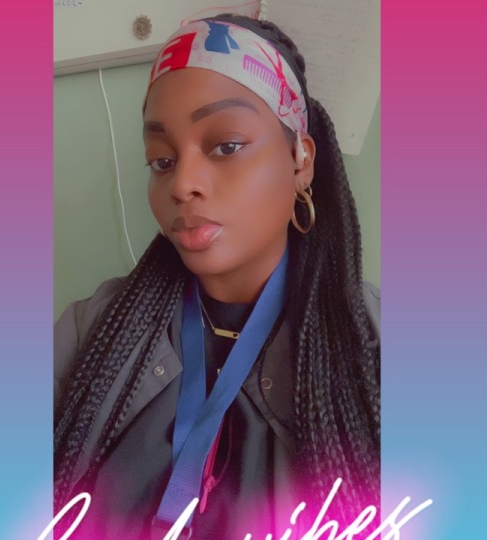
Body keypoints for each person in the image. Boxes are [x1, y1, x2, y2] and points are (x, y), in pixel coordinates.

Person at [54, 13, 380, 540]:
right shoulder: (91, 332)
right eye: (161, 160)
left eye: (226, 146)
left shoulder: (375, 348)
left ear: (301, 160)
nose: (182, 184)